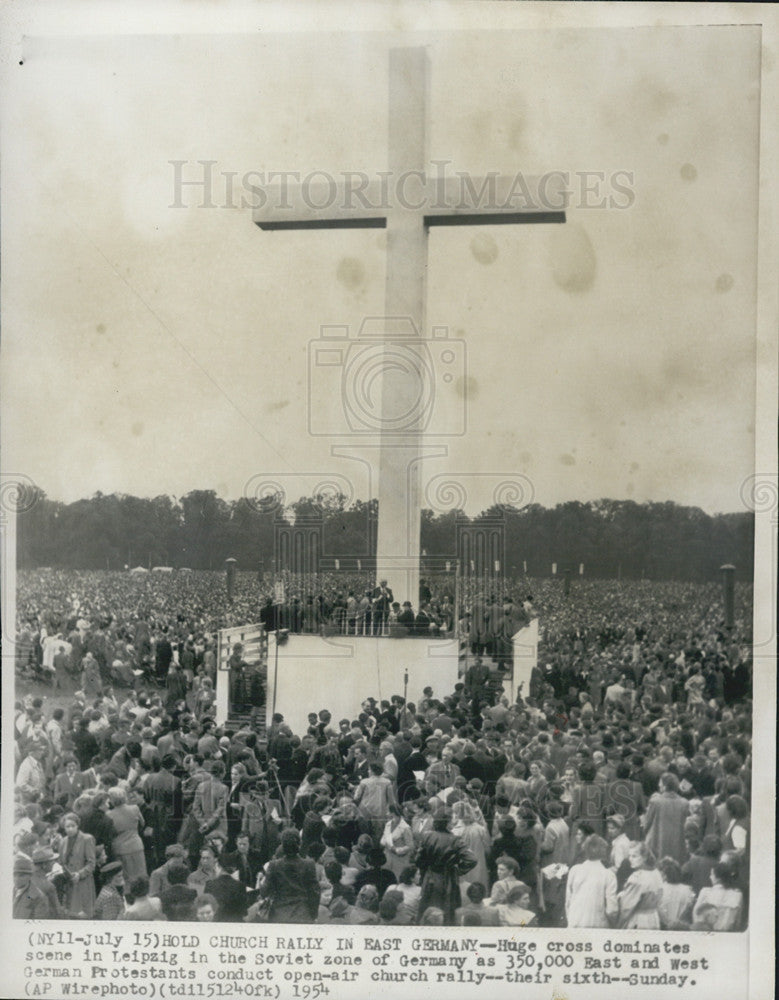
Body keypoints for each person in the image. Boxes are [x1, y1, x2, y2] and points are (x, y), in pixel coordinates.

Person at [416, 809, 477, 924]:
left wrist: (426, 868)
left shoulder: (427, 836)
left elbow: (418, 860)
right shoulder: (455, 840)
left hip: (430, 878)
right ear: (447, 823)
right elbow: (472, 859)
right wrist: (458, 870)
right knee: (447, 912)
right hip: (448, 879)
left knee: (427, 909)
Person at [260, 829, 320, 923]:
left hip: (279, 915)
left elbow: (264, 892)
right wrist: (313, 914)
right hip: (302, 915)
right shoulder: (309, 864)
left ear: (282, 845)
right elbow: (315, 893)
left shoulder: (274, 865)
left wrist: (260, 882)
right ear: (299, 844)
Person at [565, 835, 618, 928]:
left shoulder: (575, 870)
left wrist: (571, 919)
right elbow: (612, 910)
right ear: (604, 852)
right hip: (598, 925)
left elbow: (568, 902)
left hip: (574, 922)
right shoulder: (608, 875)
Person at [642, 772, 690, 865]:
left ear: (664, 786)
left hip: (657, 843)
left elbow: (647, 824)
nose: (659, 786)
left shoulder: (655, 802)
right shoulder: (684, 803)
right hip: (677, 844)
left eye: (660, 783)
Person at [59, 811, 97, 918]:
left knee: (84, 914)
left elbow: (91, 863)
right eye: (67, 826)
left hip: (83, 882)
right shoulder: (63, 841)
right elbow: (62, 862)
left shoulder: (87, 839)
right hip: (69, 883)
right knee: (72, 913)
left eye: (72, 826)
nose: (70, 829)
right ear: (64, 827)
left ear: (77, 826)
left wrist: (80, 874)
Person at [617, 842, 663, 929]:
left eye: (634, 856)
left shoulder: (637, 878)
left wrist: (618, 926)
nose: (630, 859)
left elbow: (626, 908)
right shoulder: (656, 873)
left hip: (639, 920)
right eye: (629, 856)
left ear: (644, 857)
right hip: (653, 918)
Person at [106, 787, 147, 882]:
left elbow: (111, 833)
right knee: (141, 876)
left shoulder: (109, 815)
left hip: (120, 848)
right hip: (136, 845)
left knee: (126, 879)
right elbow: (143, 823)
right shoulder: (135, 808)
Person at [692, 859, 744, 931]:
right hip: (728, 935)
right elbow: (738, 922)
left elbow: (696, 915)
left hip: (706, 933)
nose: (710, 877)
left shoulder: (705, 892)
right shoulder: (737, 895)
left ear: (718, 878)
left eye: (712, 874)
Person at [657, 857, 695, 930]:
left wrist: (668, 923)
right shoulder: (688, 890)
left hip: (663, 927)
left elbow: (659, 911)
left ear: (664, 874)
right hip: (681, 928)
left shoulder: (660, 889)